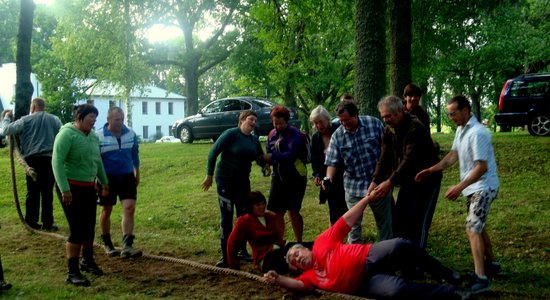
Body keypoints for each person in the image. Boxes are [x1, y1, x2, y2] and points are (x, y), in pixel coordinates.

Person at [263, 191, 471, 300]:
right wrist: (278, 278)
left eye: (296, 253)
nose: (297, 258)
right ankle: (450, 293)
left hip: (368, 255)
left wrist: (367, 199)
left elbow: (346, 220)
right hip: (364, 284)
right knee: (397, 292)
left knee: (400, 245)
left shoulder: (321, 242)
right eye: (294, 261)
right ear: (298, 268)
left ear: (305, 248)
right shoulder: (308, 277)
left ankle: (447, 273)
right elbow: (297, 286)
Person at [416, 95, 501, 294]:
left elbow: (481, 167)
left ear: (465, 110)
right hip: (473, 188)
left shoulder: (478, 133)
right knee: (478, 226)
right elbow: (452, 155)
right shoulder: (461, 130)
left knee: (472, 227)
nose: (451, 117)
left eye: (453, 113)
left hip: (484, 187)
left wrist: (459, 187)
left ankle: (481, 278)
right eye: (449, 114)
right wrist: (431, 170)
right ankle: (493, 265)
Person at [368, 96, 442, 249]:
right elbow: (384, 157)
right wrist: (375, 180)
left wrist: (389, 182)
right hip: (408, 180)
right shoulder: (389, 130)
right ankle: (404, 257)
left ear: (400, 112)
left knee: (418, 222)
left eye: (388, 116)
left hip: (427, 180)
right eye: (383, 117)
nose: (385, 120)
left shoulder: (415, 128)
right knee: (400, 219)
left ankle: (417, 264)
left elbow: (409, 160)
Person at [202, 111, 268, 268]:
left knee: (244, 217)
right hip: (225, 179)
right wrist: (209, 175)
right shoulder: (231, 134)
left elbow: (259, 156)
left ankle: (241, 251)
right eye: (251, 119)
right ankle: (226, 255)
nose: (253, 123)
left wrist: (264, 167)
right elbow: (213, 153)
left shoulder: (253, 139)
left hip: (243, 182)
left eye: (255, 121)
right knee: (227, 218)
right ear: (242, 120)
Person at [52, 104, 109, 286]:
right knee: (76, 230)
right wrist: (64, 189)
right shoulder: (66, 134)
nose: (93, 120)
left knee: (89, 227)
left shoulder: (92, 137)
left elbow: (97, 160)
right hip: (71, 188)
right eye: (90, 116)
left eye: (95, 117)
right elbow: (57, 162)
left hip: (88, 188)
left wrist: (104, 182)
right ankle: (73, 272)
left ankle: (87, 261)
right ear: (79, 117)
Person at [323, 99, 392, 243]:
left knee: (384, 224)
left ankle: (387, 254)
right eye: (341, 121)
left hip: (378, 184)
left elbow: (387, 152)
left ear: (355, 115)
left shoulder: (374, 124)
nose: (344, 123)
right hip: (353, 187)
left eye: (347, 120)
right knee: (353, 227)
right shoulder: (337, 135)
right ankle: (354, 256)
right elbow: (332, 161)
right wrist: (328, 177)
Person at [0, 98, 62, 231]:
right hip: (49, 159)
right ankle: (47, 223)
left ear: (32, 107)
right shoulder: (55, 120)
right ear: (43, 107)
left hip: (31, 160)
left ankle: (31, 222)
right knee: (47, 193)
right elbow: (61, 136)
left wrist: (6, 117)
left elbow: (5, 131)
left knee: (32, 192)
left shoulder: (25, 120)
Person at [96, 107, 142, 259]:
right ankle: (107, 243)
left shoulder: (131, 134)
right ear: (108, 119)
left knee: (129, 208)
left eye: (122, 119)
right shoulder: (98, 136)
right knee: (107, 210)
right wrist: (102, 181)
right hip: (107, 178)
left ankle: (127, 245)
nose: (120, 123)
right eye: (117, 120)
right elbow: (96, 160)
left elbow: (135, 154)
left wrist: (137, 172)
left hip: (127, 176)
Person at [265, 105, 308, 243]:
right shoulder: (271, 134)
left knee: (293, 211)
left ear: (287, 121)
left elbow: (290, 155)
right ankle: (280, 242)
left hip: (295, 178)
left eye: (281, 123)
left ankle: (299, 242)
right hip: (278, 178)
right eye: (275, 123)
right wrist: (266, 164)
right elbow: (268, 151)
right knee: (277, 213)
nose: (277, 126)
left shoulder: (295, 134)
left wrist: (272, 157)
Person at [309, 105, 347, 225]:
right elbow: (314, 161)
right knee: (334, 207)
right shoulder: (315, 138)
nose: (319, 125)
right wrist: (317, 175)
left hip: (344, 173)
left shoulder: (339, 130)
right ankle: (335, 233)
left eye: (321, 121)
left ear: (327, 119)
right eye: (316, 123)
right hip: (328, 176)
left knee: (346, 205)